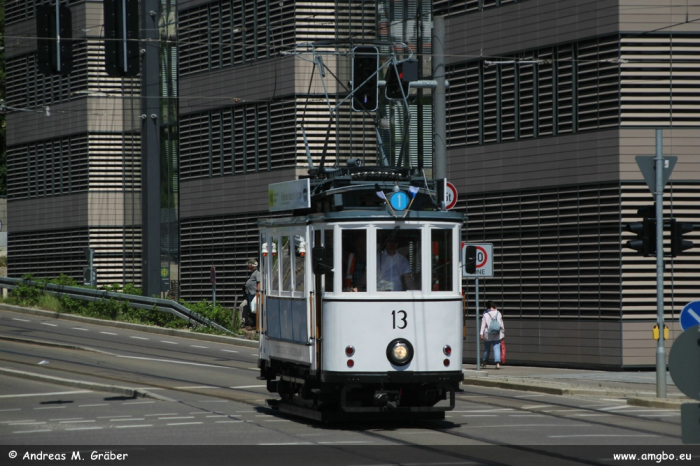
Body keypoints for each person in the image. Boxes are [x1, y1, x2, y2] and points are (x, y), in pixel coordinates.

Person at [480, 301, 504, 369]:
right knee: (496, 348)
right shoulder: (498, 313)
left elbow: (483, 324)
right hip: (497, 334)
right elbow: (501, 324)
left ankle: (484, 363)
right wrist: (503, 332)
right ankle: (497, 363)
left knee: (487, 349)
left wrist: (481, 333)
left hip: (487, 334)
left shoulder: (485, 313)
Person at [243, 258, 261, 329]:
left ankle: (255, 325)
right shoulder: (252, 273)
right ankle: (253, 324)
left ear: (252, 265)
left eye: (249, 264)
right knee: (250, 309)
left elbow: (259, 283)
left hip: (254, 294)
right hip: (249, 294)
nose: (248, 266)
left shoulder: (257, 273)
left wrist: (258, 293)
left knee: (254, 310)